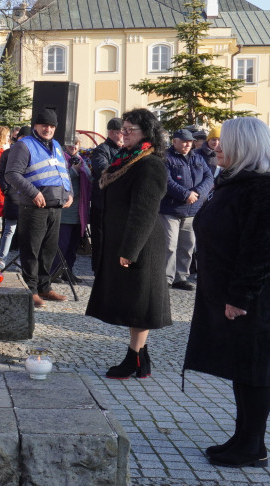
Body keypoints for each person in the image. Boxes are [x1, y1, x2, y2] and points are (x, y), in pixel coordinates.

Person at [183, 116, 270, 469]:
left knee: (256, 370)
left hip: (257, 297)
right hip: (233, 292)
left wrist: (240, 297)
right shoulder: (236, 182)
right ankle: (242, 437)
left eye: (224, 142)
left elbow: (261, 249)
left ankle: (253, 446)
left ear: (245, 146)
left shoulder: (265, 187)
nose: (217, 146)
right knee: (241, 367)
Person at [85, 108, 171, 379]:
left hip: (141, 244)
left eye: (129, 129)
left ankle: (134, 357)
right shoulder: (127, 159)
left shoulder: (150, 163)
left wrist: (130, 250)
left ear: (146, 132)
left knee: (139, 306)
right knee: (133, 303)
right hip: (126, 241)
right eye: (122, 129)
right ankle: (141, 359)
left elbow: (144, 211)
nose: (123, 134)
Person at [3, 108, 73, 307]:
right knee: (32, 249)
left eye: (52, 126)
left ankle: (44, 286)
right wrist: (33, 193)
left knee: (49, 249)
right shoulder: (24, 145)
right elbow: (12, 174)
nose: (48, 129)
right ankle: (31, 289)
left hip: (56, 205)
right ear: (35, 126)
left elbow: (62, 171)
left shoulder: (57, 145)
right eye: (44, 126)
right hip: (34, 206)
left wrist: (69, 193)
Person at [160, 128, 213, 291]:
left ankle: (181, 277)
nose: (187, 144)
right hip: (170, 210)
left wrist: (197, 193)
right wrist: (185, 194)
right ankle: (166, 278)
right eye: (183, 141)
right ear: (174, 141)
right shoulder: (166, 158)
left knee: (187, 245)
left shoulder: (197, 157)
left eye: (189, 141)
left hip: (192, 209)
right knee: (170, 244)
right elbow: (166, 181)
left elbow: (209, 177)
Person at [52, 137, 91, 283]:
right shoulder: (61, 159)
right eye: (70, 143)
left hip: (78, 212)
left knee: (73, 246)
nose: (73, 146)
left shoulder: (81, 160)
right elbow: (59, 180)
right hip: (65, 212)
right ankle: (54, 272)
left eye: (76, 144)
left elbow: (89, 180)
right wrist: (74, 171)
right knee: (61, 244)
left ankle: (68, 271)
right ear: (65, 145)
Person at [0, 126, 30, 270]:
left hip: (29, 197)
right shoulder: (8, 153)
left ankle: (23, 261)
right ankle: (1, 260)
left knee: (26, 232)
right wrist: (6, 189)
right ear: (17, 138)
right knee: (9, 230)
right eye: (22, 138)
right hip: (13, 196)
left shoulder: (32, 153)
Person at [88, 118, 124, 266]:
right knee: (101, 241)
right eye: (122, 132)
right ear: (112, 133)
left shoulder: (125, 150)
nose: (125, 135)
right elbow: (104, 171)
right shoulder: (101, 150)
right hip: (102, 204)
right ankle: (98, 271)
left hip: (118, 204)